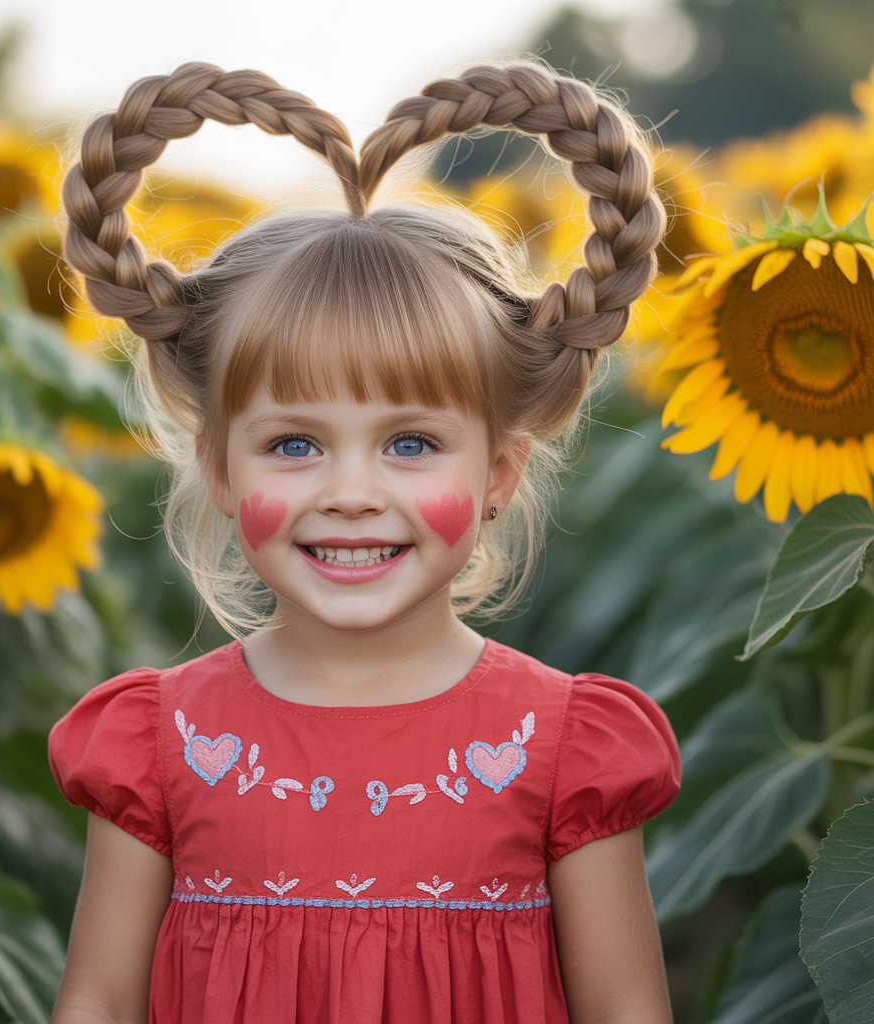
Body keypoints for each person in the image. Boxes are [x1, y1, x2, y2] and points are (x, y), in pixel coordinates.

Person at [48, 60, 679, 1024]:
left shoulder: (561, 751)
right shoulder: (160, 745)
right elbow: (94, 1006)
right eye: (293, 443)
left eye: (411, 444)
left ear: (497, 475)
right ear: (220, 469)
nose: (350, 494)